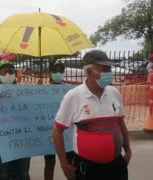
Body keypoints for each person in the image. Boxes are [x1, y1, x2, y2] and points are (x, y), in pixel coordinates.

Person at [53, 50, 132, 180]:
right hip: (87, 168)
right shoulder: (74, 96)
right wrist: (63, 164)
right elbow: (57, 131)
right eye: (104, 69)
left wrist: (128, 150)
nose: (109, 73)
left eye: (109, 69)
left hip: (116, 165)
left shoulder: (114, 93)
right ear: (89, 72)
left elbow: (120, 123)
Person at [44, 59, 75, 180]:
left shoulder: (69, 90)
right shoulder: (42, 89)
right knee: (49, 164)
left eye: (61, 70)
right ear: (50, 72)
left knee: (70, 164)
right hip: (49, 133)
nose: (58, 73)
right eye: (55, 70)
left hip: (67, 134)